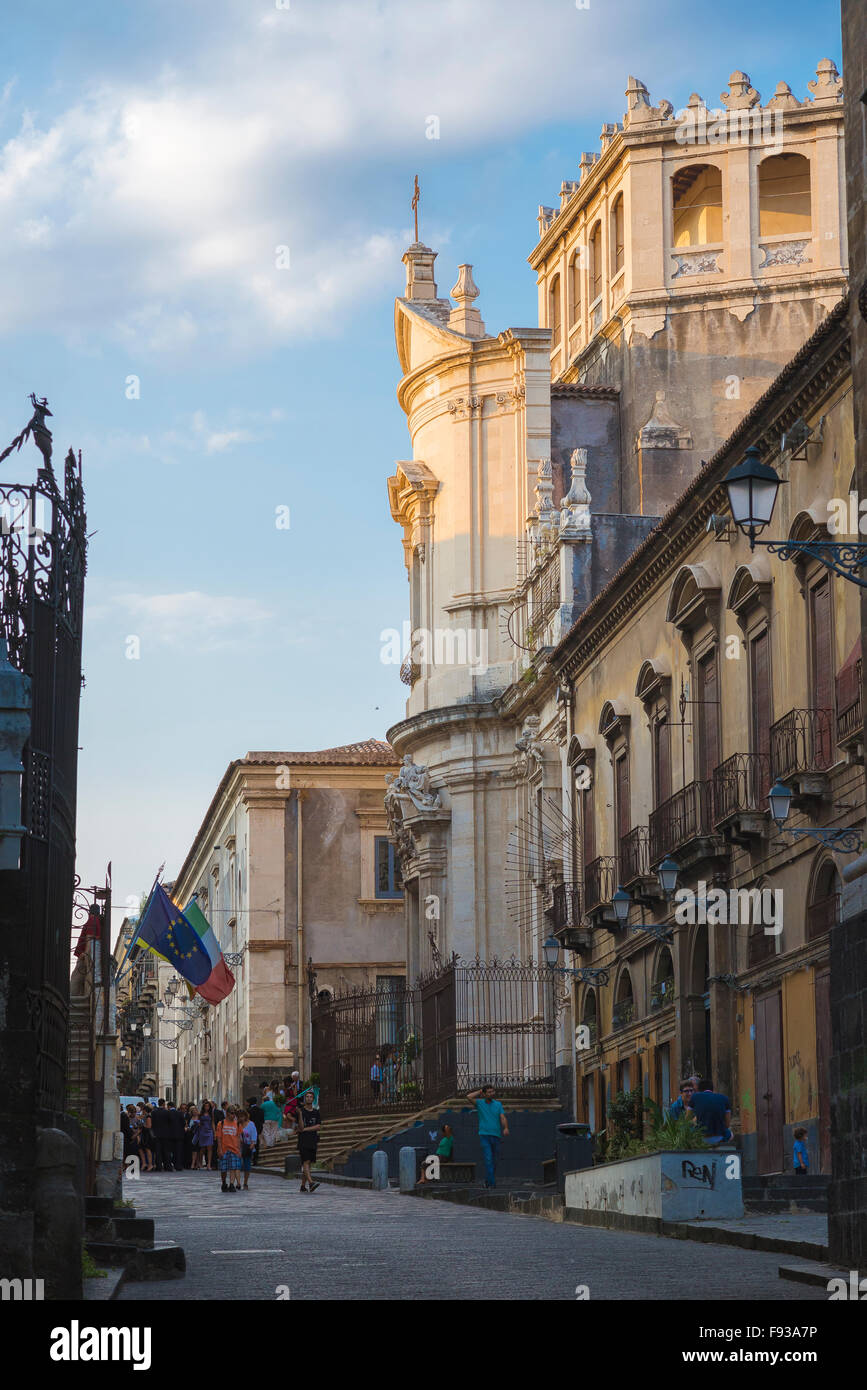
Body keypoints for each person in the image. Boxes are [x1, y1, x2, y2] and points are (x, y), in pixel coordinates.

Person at [467, 1085, 509, 1188]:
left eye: (492, 1092)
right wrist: (480, 1091)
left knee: (494, 1161)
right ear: (484, 1094)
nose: (491, 1094)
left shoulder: (498, 1104)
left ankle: (487, 1181)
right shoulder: (480, 1103)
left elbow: (502, 1117)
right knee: (488, 1159)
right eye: (489, 1092)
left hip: (496, 1136)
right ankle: (492, 1184)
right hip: (484, 1135)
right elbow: (469, 1097)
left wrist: (506, 1127)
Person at [686, 1081, 733, 1145]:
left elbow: (687, 1120)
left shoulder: (694, 1097)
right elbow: (727, 1124)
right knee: (731, 1134)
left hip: (700, 1138)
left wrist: (695, 1120)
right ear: (713, 1089)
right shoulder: (724, 1098)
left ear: (699, 1090)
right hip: (719, 1137)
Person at [297, 1090, 322, 1192]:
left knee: (309, 1162)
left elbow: (318, 1126)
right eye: (307, 1097)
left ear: (313, 1099)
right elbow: (301, 1127)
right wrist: (300, 1115)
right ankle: (311, 1183)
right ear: (305, 1098)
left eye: (310, 1097)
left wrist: (306, 1129)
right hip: (303, 1140)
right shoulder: (301, 1111)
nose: (308, 1098)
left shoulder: (316, 1112)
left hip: (312, 1139)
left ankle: (303, 1186)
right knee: (306, 1161)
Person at [216, 1105, 242, 1192]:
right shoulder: (221, 1124)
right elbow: (219, 1138)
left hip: (234, 1149)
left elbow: (238, 1137)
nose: (233, 1115)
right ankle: (224, 1182)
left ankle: (231, 1184)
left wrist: (239, 1149)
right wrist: (219, 1149)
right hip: (224, 1149)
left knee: (233, 1168)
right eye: (232, 1113)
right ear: (227, 1113)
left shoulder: (237, 1124)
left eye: (234, 1114)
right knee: (223, 1169)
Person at [240, 1108, 257, 1190]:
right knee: (237, 1166)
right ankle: (238, 1182)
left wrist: (253, 1143)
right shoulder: (237, 1124)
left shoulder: (251, 1124)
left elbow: (254, 1134)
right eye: (239, 1117)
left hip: (248, 1147)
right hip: (238, 1147)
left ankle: (245, 1182)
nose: (241, 1118)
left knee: (247, 1166)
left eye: (242, 1116)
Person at [167, 1101, 186, 1173]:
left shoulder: (167, 1113)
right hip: (179, 1135)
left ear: (169, 1106)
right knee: (178, 1151)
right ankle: (178, 1165)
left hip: (170, 1135)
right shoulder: (180, 1113)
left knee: (170, 1150)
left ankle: (170, 1165)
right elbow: (184, 1123)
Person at [197, 1100, 215, 1170]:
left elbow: (213, 1123)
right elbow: (199, 1122)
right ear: (203, 1107)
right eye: (205, 1106)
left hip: (209, 1131)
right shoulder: (200, 1114)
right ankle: (200, 1163)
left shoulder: (211, 1113)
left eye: (208, 1106)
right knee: (202, 1149)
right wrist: (198, 1124)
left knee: (210, 1148)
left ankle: (209, 1164)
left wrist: (214, 1132)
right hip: (202, 1131)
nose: (207, 1107)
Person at [247, 1095, 265, 1165]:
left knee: (249, 1142)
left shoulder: (249, 1110)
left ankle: (249, 1158)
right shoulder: (260, 1110)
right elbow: (262, 1120)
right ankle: (255, 1159)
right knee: (256, 1143)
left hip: (250, 1129)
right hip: (258, 1128)